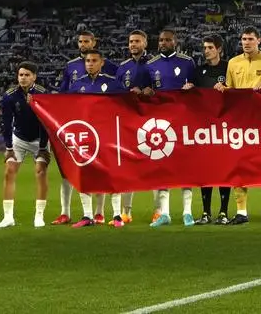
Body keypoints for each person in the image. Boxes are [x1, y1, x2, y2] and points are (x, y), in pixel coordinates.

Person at [51, 26, 117, 226]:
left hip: (105, 131)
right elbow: (64, 99)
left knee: (104, 171)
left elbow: (123, 99)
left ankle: (103, 213)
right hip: (82, 130)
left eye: (86, 42)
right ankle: (84, 214)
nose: (83, 45)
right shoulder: (72, 71)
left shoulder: (111, 74)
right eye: (80, 42)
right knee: (80, 170)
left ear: (94, 43)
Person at [221, 26, 261, 225]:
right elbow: (230, 90)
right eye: (244, 39)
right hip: (240, 122)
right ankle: (241, 211)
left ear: (259, 40)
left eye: (250, 39)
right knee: (239, 167)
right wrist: (222, 89)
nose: (246, 42)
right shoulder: (233, 63)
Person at [145, 27, 198, 228]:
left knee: (185, 168)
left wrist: (192, 87)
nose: (163, 43)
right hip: (160, 125)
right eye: (161, 40)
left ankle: (187, 213)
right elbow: (145, 91)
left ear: (175, 42)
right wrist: (146, 91)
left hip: (184, 121)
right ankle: (165, 213)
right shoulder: (151, 65)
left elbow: (197, 88)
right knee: (163, 168)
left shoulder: (187, 62)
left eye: (167, 40)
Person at [67, 50, 126, 226]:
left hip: (108, 136)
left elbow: (125, 106)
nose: (90, 64)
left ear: (102, 63)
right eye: (87, 61)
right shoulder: (77, 85)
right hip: (86, 136)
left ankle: (116, 216)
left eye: (94, 61)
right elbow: (67, 107)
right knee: (84, 175)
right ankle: (87, 216)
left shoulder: (113, 83)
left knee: (112, 176)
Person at [0, 62, 50, 229]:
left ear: (34, 76)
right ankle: (8, 217)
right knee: (9, 172)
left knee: (40, 172)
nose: (23, 78)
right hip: (19, 139)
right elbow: (6, 123)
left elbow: (45, 123)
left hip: (39, 139)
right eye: (21, 75)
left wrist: (42, 147)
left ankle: (39, 216)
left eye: (27, 75)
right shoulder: (10, 96)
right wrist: (8, 148)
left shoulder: (43, 94)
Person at [109, 30, 151, 226]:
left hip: (152, 121)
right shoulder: (122, 68)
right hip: (128, 122)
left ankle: (159, 211)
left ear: (145, 43)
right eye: (131, 41)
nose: (133, 44)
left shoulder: (154, 64)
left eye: (137, 41)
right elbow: (115, 94)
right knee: (127, 167)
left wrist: (148, 91)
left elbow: (163, 89)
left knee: (155, 166)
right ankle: (126, 212)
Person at [191, 33, 232, 225]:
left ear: (219, 49)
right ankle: (206, 212)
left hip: (226, 125)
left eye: (210, 48)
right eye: (205, 48)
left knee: (224, 169)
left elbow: (238, 92)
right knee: (205, 170)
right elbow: (193, 96)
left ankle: (223, 212)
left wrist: (227, 88)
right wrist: (188, 88)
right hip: (204, 127)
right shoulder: (199, 71)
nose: (206, 51)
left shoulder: (228, 67)